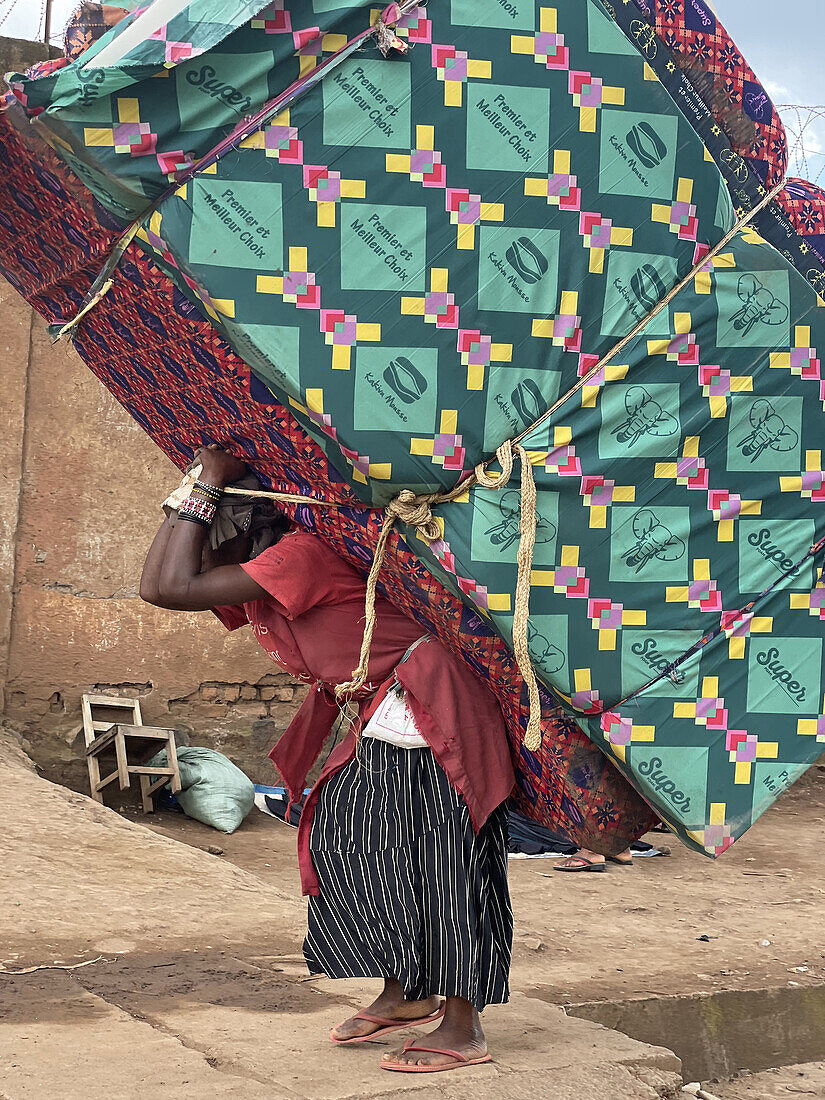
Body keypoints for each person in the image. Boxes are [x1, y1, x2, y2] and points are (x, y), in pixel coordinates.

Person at [140, 444, 516, 1074]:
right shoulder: (263, 570)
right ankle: (407, 992)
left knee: (448, 868)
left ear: (253, 516)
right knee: (356, 844)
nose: (205, 533)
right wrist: (196, 495)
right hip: (385, 717)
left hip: (433, 712)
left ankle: (462, 1025)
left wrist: (205, 481)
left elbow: (171, 585)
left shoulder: (303, 556)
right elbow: (163, 581)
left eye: (213, 518)